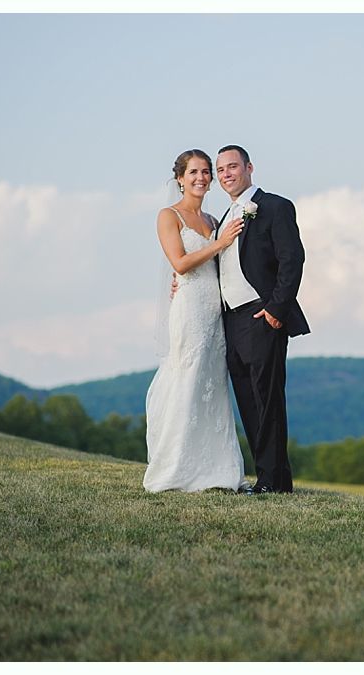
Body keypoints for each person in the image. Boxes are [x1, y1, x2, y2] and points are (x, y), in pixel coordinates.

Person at [143, 149, 250, 493]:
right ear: (180, 178)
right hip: (189, 309)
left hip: (215, 311)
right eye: (194, 172)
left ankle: (217, 470)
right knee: (186, 379)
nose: (202, 178)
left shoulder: (213, 220)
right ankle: (176, 467)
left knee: (212, 384)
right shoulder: (168, 215)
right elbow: (180, 262)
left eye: (207, 172)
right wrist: (219, 244)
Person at [214, 144, 309, 494]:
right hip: (231, 322)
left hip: (261, 315)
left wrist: (275, 311)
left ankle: (273, 481)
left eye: (232, 166)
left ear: (249, 168)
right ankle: (270, 479)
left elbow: (292, 260)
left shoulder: (274, 207)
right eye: (220, 169)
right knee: (248, 402)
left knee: (267, 399)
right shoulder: (223, 219)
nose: (226, 173)